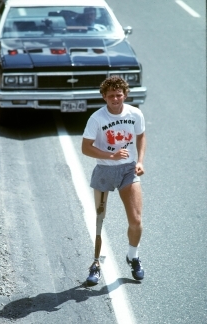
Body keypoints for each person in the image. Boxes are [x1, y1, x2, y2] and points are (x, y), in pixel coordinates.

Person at [81, 75, 146, 285]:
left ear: (125, 94)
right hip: (104, 171)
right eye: (111, 96)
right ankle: (95, 264)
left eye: (119, 95)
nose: (116, 99)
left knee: (136, 221)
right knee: (100, 220)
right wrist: (112, 156)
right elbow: (85, 147)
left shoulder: (135, 113)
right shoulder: (97, 118)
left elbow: (141, 136)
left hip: (128, 170)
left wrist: (140, 161)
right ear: (104, 97)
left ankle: (133, 257)